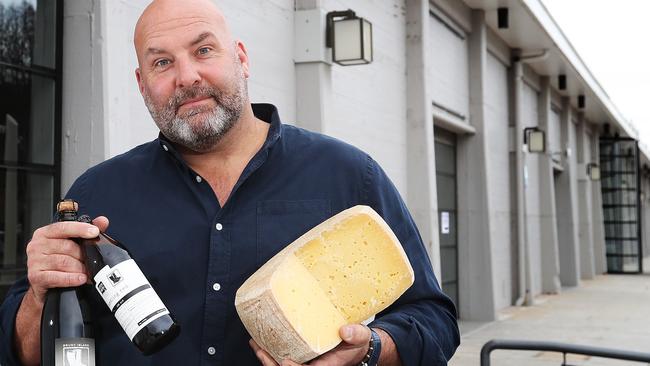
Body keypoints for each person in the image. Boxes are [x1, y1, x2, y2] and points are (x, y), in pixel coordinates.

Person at [0, 0, 460, 365]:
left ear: (240, 57)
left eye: (203, 50)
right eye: (162, 63)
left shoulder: (348, 175)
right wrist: (40, 295)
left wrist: (372, 349)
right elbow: (29, 351)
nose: (187, 77)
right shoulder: (97, 195)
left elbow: (434, 321)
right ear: (142, 84)